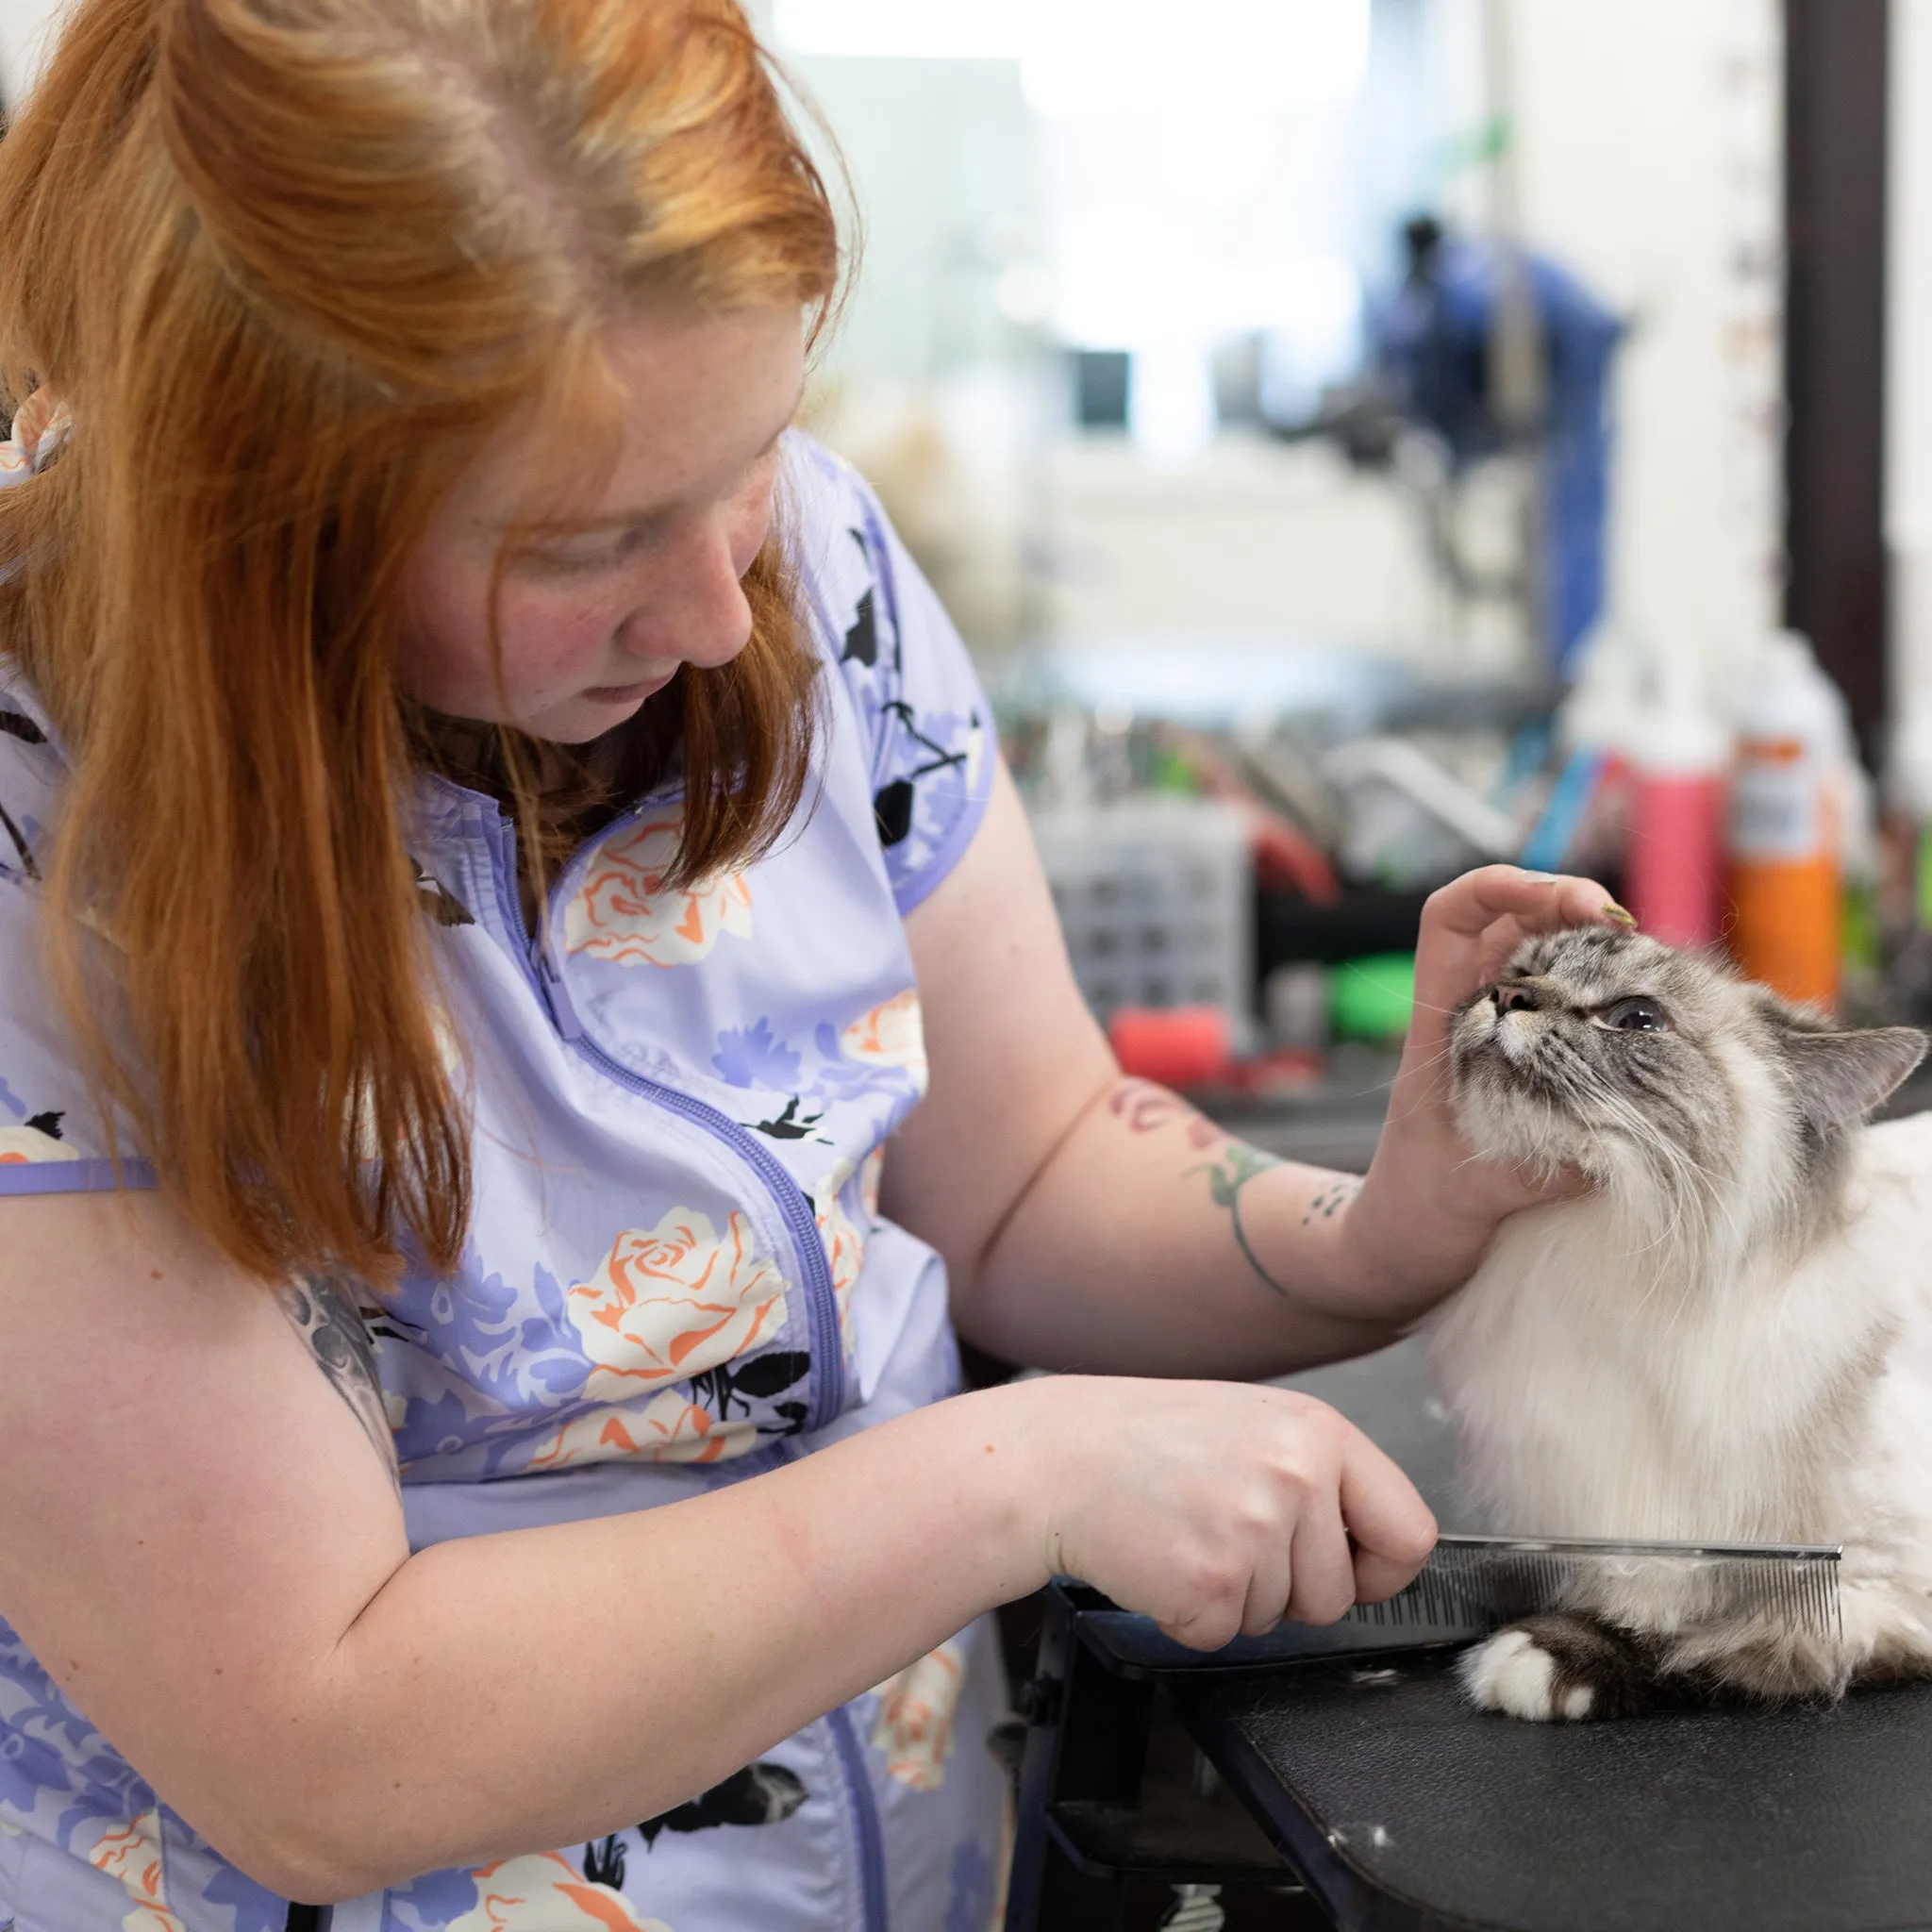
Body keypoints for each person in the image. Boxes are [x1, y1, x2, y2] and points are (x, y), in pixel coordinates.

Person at [0, 1, 1626, 1927]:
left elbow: (1019, 1166)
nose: (716, 609)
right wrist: (1019, 1475)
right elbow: (324, 1742)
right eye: (590, 538)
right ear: (262, 517)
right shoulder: (41, 837)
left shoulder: (808, 568)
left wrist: (1370, 1235)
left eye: (754, 452)